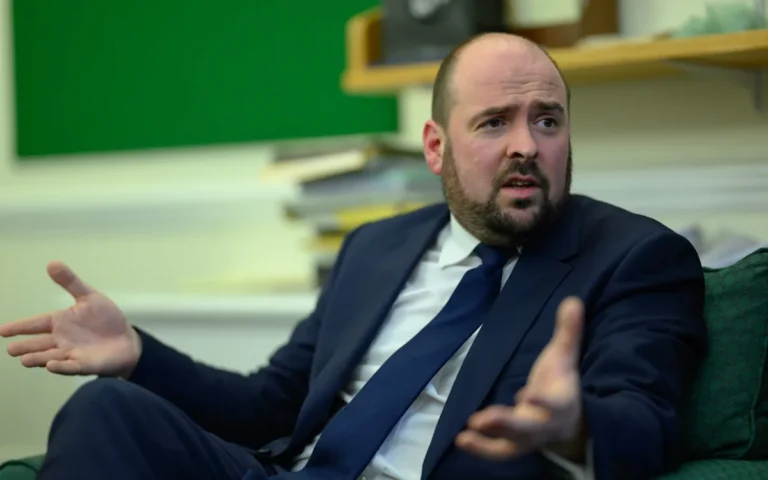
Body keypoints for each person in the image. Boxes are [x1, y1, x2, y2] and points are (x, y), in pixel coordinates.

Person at [0, 32, 707, 480]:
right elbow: (268, 404)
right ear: (436, 147)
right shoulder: (378, 246)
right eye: (494, 122)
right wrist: (137, 356)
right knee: (107, 408)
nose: (526, 144)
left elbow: (646, 424)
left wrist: (574, 423)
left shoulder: (636, 257)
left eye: (546, 120)